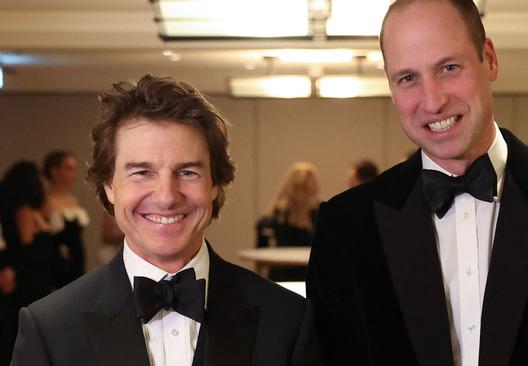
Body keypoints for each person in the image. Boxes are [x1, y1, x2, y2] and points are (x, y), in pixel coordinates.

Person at [306, 1, 528, 365]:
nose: (433, 101)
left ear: (490, 59)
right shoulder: (345, 226)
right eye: (408, 78)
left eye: (449, 68)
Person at [11, 75, 321, 366]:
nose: (166, 196)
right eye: (142, 172)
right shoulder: (49, 327)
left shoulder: (287, 320)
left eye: (187, 172)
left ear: (215, 184)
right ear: (109, 186)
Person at [0, 161, 56, 365]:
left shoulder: (34, 211)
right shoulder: (24, 211)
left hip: (37, 276)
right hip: (30, 279)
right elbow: (27, 250)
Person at [256, 162, 319, 281]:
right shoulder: (279, 215)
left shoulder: (316, 213)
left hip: (309, 275)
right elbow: (262, 236)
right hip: (283, 274)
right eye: (305, 189)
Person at [43, 150, 89, 287]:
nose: (73, 174)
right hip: (57, 265)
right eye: (69, 169)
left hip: (77, 263)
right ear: (54, 171)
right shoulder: (46, 201)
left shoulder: (72, 200)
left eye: (75, 169)